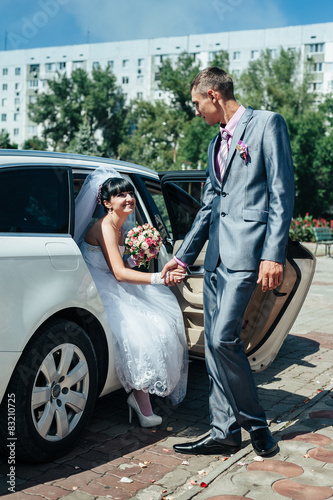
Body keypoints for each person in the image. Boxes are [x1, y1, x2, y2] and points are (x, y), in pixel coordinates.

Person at [161, 67, 294, 456]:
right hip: (217, 257)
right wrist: (183, 258)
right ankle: (223, 431)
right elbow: (208, 207)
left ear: (214, 96)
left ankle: (256, 427)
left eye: (197, 103)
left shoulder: (267, 124)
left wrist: (273, 253)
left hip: (249, 253)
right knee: (215, 348)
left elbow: (281, 193)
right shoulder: (213, 143)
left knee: (223, 339)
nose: (197, 111)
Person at [74, 166, 188, 427]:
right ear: (106, 203)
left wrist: (138, 255)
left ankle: (141, 400)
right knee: (140, 333)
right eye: (120, 195)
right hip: (96, 285)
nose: (128, 198)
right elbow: (119, 273)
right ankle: (142, 404)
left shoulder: (122, 225)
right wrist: (158, 277)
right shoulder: (104, 227)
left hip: (111, 280)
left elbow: (121, 264)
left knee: (161, 322)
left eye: (129, 193)